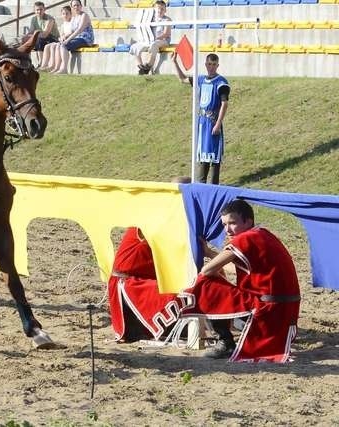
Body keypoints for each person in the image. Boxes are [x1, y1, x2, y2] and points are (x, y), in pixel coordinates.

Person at [180, 200, 301, 362]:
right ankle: (236, 327)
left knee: (206, 284)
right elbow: (235, 268)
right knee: (216, 283)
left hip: (268, 308)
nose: (227, 229)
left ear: (248, 221)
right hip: (285, 309)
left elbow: (207, 271)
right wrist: (209, 252)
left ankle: (224, 342)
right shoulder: (263, 233)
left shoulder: (246, 238)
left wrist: (215, 274)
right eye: (224, 224)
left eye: (232, 223)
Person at [108, 227, 181, 342]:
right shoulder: (145, 225)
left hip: (141, 279)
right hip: (128, 283)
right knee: (175, 295)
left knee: (184, 291)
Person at [172, 52, 230, 184]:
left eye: (214, 64)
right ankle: (201, 184)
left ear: (218, 65)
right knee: (202, 155)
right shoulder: (201, 79)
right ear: (206, 64)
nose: (211, 67)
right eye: (209, 64)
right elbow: (182, 79)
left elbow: (224, 104)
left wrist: (218, 124)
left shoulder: (221, 82)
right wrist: (175, 62)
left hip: (213, 121)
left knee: (214, 157)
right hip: (202, 122)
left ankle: (214, 186)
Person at [129, 0, 171, 75]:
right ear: (154, 9)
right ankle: (141, 67)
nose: (160, 10)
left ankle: (148, 66)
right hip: (150, 40)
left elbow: (166, 34)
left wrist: (155, 38)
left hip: (163, 41)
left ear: (165, 10)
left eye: (162, 9)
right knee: (135, 46)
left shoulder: (167, 19)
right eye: (158, 8)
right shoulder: (149, 19)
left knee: (154, 45)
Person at [54, 0, 94, 74]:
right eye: (74, 6)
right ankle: (57, 67)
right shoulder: (74, 17)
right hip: (77, 38)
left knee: (64, 45)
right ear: (72, 7)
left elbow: (79, 30)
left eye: (78, 5)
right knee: (59, 45)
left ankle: (64, 69)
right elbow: (72, 31)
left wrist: (67, 40)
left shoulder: (84, 15)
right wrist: (64, 37)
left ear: (81, 6)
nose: (76, 7)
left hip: (86, 39)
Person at [25, 1, 59, 67]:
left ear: (44, 9)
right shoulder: (33, 19)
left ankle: (41, 63)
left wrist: (33, 36)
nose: (39, 11)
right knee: (26, 41)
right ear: (34, 11)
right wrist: (26, 37)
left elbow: (45, 34)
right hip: (40, 38)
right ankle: (28, 63)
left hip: (53, 38)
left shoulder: (50, 19)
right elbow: (31, 32)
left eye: (41, 9)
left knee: (39, 40)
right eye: (37, 10)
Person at [39, 5, 72, 73]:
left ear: (71, 14)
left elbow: (72, 33)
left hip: (69, 40)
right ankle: (44, 66)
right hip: (62, 41)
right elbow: (61, 35)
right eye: (63, 14)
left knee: (55, 46)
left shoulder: (72, 23)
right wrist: (61, 38)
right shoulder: (63, 25)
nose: (65, 15)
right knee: (47, 46)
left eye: (67, 13)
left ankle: (54, 66)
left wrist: (64, 38)